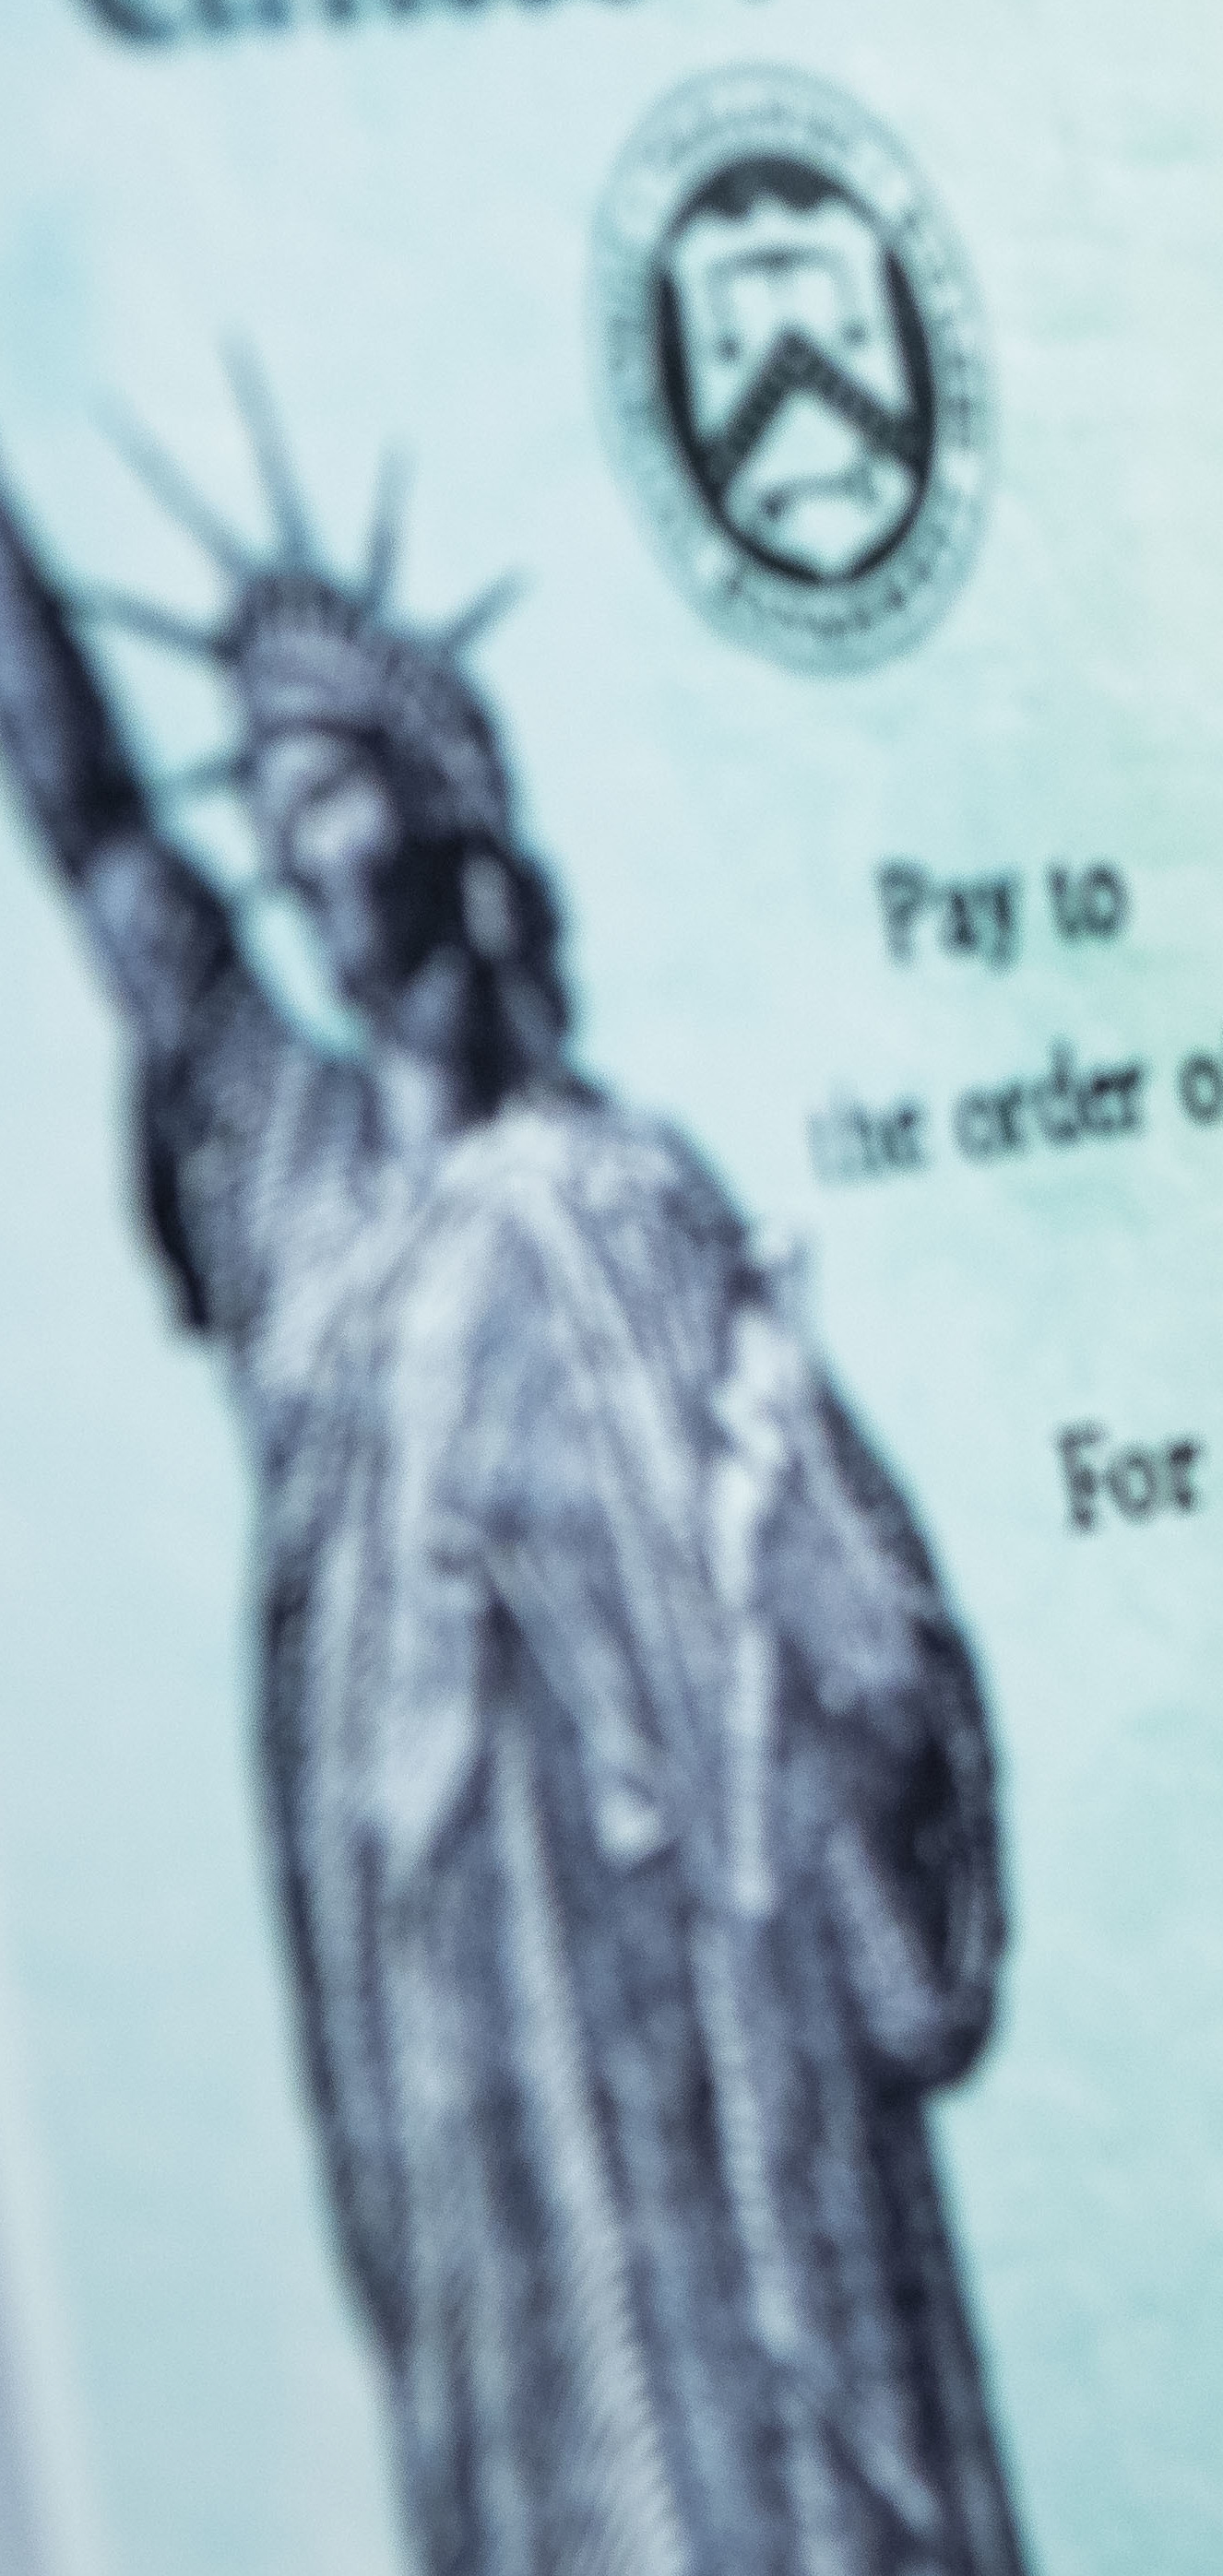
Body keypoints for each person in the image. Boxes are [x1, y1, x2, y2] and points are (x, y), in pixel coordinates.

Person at [0, 404, 1027, 2576]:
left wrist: (796, 1630)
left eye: (334, 800)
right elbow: (99, 840)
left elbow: (850, 1639)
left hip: (687, 2070)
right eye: (269, 818)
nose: (289, 859)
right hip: (466, 2091)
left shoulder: (626, 1212)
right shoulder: (306, 1204)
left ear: (456, 836)